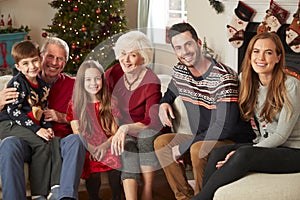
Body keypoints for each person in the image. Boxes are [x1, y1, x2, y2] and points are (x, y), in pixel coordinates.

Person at [192, 32, 300, 200]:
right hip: (264, 145)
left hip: (294, 151)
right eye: (256, 51)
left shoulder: (291, 85)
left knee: (243, 154)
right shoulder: (246, 80)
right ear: (249, 55)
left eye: (268, 52)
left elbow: (281, 135)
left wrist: (243, 150)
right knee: (218, 153)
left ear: (278, 57)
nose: (261, 57)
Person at [154, 22, 254, 200]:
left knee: (198, 148)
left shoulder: (223, 77)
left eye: (188, 44)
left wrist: (184, 145)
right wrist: (163, 103)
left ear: (198, 43)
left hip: (230, 139)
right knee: (162, 143)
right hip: (201, 136)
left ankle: (202, 196)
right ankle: (184, 196)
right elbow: (170, 92)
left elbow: (225, 128)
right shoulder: (181, 71)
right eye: (178, 48)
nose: (184, 52)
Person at [0, 37, 86, 200]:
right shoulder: (20, 81)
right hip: (26, 138)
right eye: (50, 56)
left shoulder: (74, 86)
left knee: (76, 140)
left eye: (60, 58)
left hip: (58, 139)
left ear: (65, 62)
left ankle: (64, 196)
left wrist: (62, 117)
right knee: (9, 144)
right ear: (42, 56)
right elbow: (10, 114)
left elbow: (87, 118)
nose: (54, 62)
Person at [105, 30, 164, 200]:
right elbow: (93, 88)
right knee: (128, 148)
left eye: (132, 55)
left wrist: (125, 127)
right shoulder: (114, 73)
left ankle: (147, 191)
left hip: (146, 127)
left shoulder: (151, 80)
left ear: (143, 58)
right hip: (123, 132)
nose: (126, 59)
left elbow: (151, 120)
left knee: (146, 137)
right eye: (123, 54)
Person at [0, 40, 61, 200]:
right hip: (9, 124)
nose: (32, 66)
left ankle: (44, 192)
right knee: (41, 142)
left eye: (34, 61)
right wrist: (37, 130)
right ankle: (38, 194)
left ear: (40, 59)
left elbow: (42, 111)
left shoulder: (42, 86)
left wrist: (47, 127)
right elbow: (13, 112)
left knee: (48, 141)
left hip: (26, 125)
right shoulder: (17, 84)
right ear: (18, 67)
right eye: (25, 63)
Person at [66, 60, 122, 200]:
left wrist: (104, 146)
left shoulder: (110, 101)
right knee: (89, 163)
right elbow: (77, 133)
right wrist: (91, 149)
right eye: (88, 79)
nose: (93, 83)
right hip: (87, 144)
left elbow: (115, 132)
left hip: (107, 142)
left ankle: (117, 196)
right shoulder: (75, 105)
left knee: (114, 158)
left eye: (97, 78)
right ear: (81, 82)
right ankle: (94, 197)